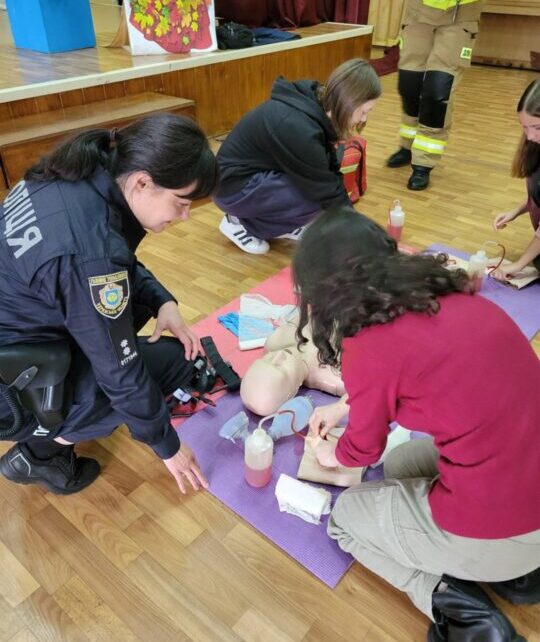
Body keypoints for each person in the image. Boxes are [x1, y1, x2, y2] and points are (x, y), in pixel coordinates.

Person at [292, 206, 540, 641]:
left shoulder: (367, 344)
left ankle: (463, 616)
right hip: (529, 492)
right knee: (402, 462)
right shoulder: (448, 296)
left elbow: (362, 450)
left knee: (345, 519)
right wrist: (347, 405)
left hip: (505, 524)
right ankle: (518, 576)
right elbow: (418, 368)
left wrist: (331, 453)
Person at [0, 113, 218, 496]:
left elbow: (110, 260)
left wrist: (161, 301)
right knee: (167, 368)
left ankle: (53, 427)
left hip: (21, 339)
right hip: (14, 386)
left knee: (154, 356)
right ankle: (41, 454)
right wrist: (167, 446)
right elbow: (121, 373)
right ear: (142, 182)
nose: (184, 216)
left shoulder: (80, 172)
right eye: (181, 203)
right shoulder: (90, 252)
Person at [214, 58, 381, 254]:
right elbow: (324, 189)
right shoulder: (299, 128)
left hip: (257, 175)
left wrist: (353, 221)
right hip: (231, 187)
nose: (364, 119)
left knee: (319, 190)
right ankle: (240, 224)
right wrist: (358, 232)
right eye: (364, 111)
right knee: (313, 198)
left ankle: (279, 225)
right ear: (349, 103)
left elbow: (330, 171)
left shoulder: (316, 104)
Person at [386, 0, 485, 191]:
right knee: (409, 85)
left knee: (437, 92)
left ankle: (423, 162)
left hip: (460, 15)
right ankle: (408, 146)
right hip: (418, 11)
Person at [240, 313, 344, 416]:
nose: (279, 355)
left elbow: (303, 314)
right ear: (293, 393)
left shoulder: (274, 342)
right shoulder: (332, 376)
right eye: (280, 367)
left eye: (266, 359)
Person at [492, 78, 540, 280]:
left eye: (537, 127)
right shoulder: (535, 145)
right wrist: (516, 211)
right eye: (524, 127)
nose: (530, 136)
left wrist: (519, 264)